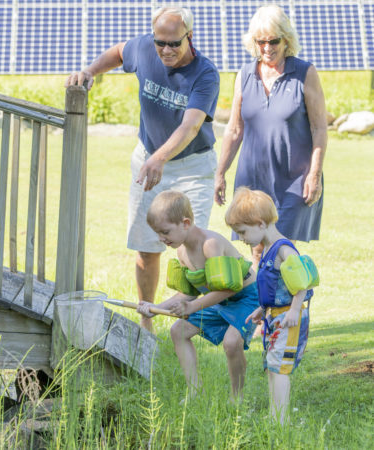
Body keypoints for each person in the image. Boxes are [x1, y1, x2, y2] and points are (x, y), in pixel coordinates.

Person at [65, 6, 220, 332]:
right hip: (148, 159)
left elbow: (191, 126)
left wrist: (160, 158)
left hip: (192, 167)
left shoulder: (205, 74)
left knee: (192, 250)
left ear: (189, 38)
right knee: (147, 248)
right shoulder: (145, 49)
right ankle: (145, 325)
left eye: (173, 44)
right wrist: (90, 71)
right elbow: (120, 52)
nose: (165, 50)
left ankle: (190, 321)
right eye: (159, 42)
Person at [214, 4, 327, 268]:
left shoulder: (305, 73)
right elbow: (234, 129)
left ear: (286, 39)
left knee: (281, 249)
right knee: (255, 248)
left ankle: (290, 307)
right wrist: (221, 173)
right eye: (260, 41)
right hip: (253, 179)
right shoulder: (244, 75)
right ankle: (261, 307)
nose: (267, 48)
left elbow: (319, 128)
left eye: (273, 41)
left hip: (294, 179)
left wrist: (315, 174)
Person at [137, 190, 259, 401]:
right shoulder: (182, 253)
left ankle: (237, 398)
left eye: (165, 231)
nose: (160, 238)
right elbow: (187, 294)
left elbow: (229, 288)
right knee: (179, 330)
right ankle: (195, 391)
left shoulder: (210, 244)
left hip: (246, 298)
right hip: (218, 299)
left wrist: (193, 308)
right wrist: (154, 309)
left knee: (231, 342)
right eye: (157, 233)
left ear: (185, 223)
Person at [225, 187, 316, 423]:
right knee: (271, 364)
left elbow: (302, 282)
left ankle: (280, 420)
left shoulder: (284, 249)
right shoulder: (266, 249)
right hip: (273, 317)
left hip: (288, 317)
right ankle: (275, 415)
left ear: (260, 223)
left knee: (280, 367)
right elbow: (274, 287)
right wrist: (261, 308)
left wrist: (295, 309)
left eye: (243, 232)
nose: (241, 238)